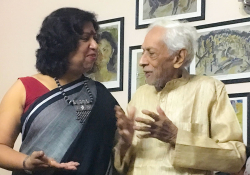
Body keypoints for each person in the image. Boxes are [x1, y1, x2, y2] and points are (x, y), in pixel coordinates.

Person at [114, 19, 246, 175]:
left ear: (178, 58)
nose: (142, 61)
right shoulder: (140, 95)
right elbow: (120, 168)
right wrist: (124, 143)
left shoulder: (210, 89)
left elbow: (236, 158)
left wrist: (176, 136)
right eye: (143, 52)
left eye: (151, 53)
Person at [0, 7, 118, 175]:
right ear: (62, 43)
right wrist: (26, 162)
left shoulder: (101, 94)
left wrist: (127, 140)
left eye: (95, 38)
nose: (95, 45)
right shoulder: (25, 88)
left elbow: (116, 149)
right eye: (86, 38)